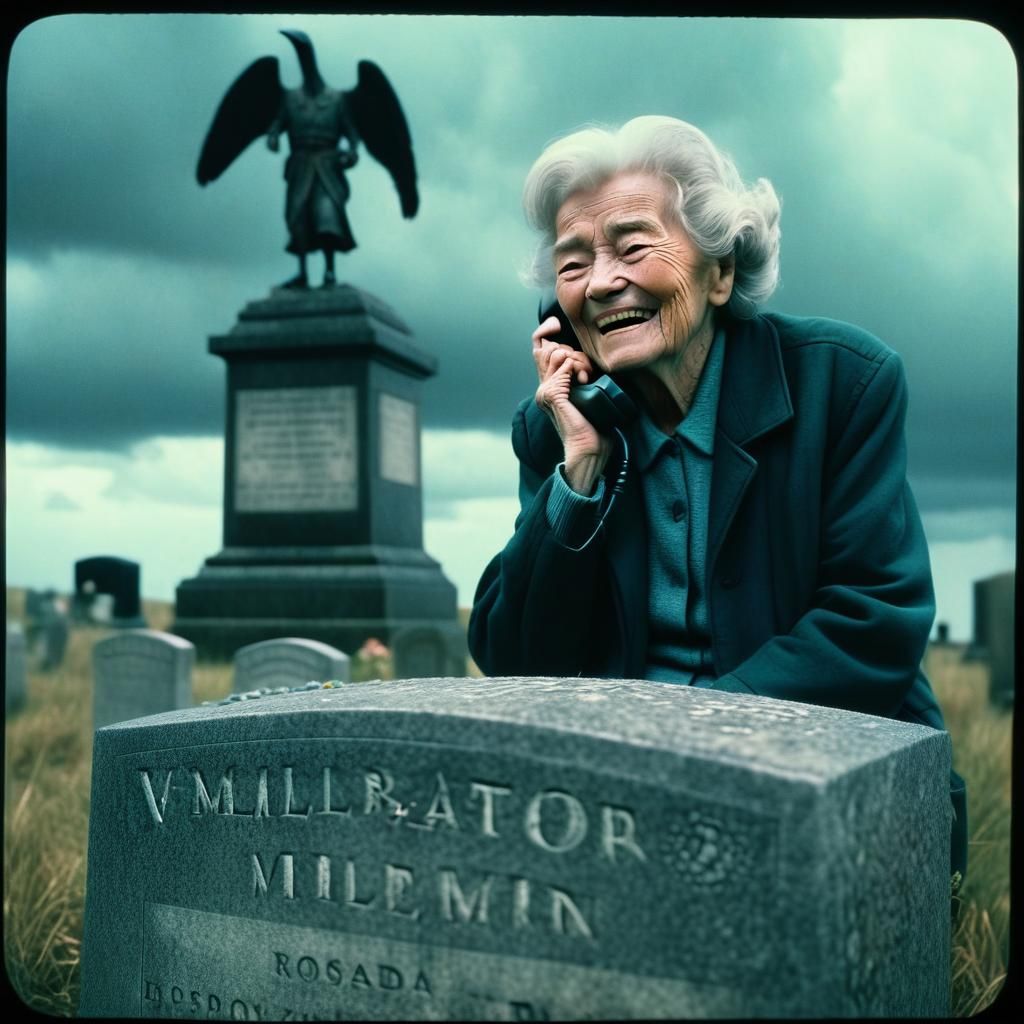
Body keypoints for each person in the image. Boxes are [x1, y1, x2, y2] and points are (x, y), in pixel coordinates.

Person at [468, 115, 966, 899]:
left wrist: (685, 741)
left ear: (720, 273)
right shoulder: (557, 428)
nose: (601, 282)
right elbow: (513, 657)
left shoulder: (845, 385)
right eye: (573, 262)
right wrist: (579, 476)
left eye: (633, 247)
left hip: (824, 782)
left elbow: (874, 618)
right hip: (626, 813)